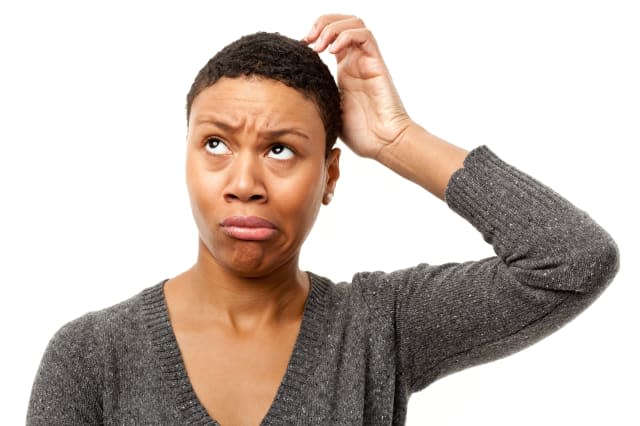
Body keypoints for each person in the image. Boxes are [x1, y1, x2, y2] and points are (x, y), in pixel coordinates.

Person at [26, 14, 619, 425]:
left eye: (281, 149)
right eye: (215, 144)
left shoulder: (378, 328)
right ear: (185, 156)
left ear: (329, 176)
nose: (244, 185)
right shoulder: (91, 355)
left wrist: (396, 138)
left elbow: (571, 259)